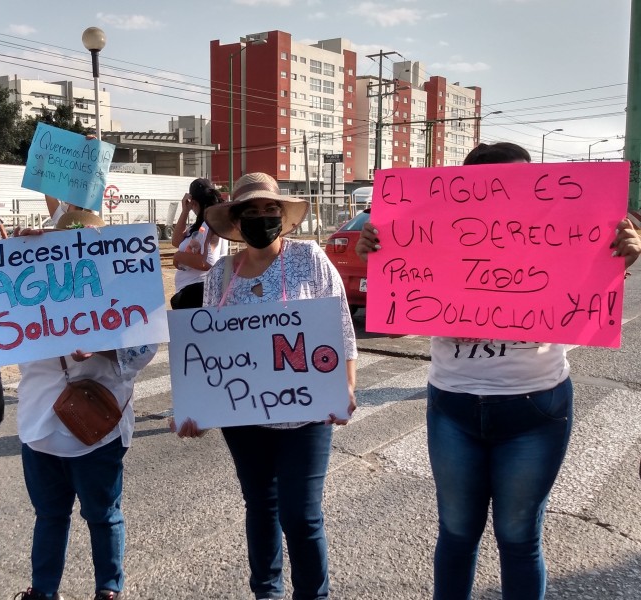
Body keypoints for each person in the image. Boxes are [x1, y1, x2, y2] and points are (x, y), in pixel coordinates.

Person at [354, 142, 641, 600]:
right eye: (509, 184)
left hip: (536, 405)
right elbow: (394, 320)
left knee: (518, 535)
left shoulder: (557, 224)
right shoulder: (434, 227)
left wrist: (621, 255)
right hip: (453, 405)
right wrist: (381, 253)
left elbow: (585, 277)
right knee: (456, 532)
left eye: (527, 184)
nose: (519, 194)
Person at [175, 172, 357, 600]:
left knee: (302, 515)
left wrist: (344, 389)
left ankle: (313, 595)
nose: (261, 218)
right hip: (246, 419)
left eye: (269, 209)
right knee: (260, 508)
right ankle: (266, 592)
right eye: (251, 212)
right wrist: (198, 410)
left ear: (282, 215)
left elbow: (342, 330)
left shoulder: (310, 258)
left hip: (308, 414)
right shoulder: (220, 274)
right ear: (236, 221)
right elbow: (211, 348)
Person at [13, 212, 158, 600]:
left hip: (99, 432)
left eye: (87, 241)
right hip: (39, 427)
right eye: (67, 241)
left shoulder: (123, 286)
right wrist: (13, 253)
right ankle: (43, 591)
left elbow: (147, 347)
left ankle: (108, 589)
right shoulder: (31, 280)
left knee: (103, 515)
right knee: (49, 516)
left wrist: (104, 346)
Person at [170, 178, 228, 309]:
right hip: (193, 292)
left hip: (196, 293)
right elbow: (176, 241)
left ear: (194, 202)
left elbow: (208, 262)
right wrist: (185, 211)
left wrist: (178, 256)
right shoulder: (202, 225)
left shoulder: (209, 224)